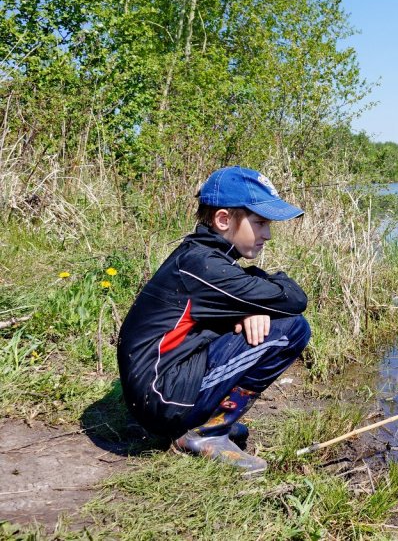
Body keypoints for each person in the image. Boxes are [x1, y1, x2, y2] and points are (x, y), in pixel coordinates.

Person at [117, 166, 311, 475]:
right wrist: (260, 298)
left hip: (156, 392)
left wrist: (249, 307)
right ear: (223, 220)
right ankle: (205, 433)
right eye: (260, 223)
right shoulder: (204, 265)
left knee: (274, 321)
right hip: (161, 399)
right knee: (291, 329)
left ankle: (207, 422)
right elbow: (295, 299)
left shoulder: (200, 257)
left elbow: (223, 300)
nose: (267, 235)